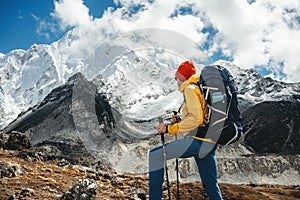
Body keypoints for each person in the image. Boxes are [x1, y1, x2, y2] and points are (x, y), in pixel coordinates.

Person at [148, 61, 222, 200]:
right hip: (210, 142)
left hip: (198, 141)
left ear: (181, 77)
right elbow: (201, 118)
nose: (176, 81)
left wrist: (170, 128)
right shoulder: (199, 89)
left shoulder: (190, 89)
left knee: (155, 155)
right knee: (211, 185)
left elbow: (196, 119)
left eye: (176, 77)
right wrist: (181, 120)